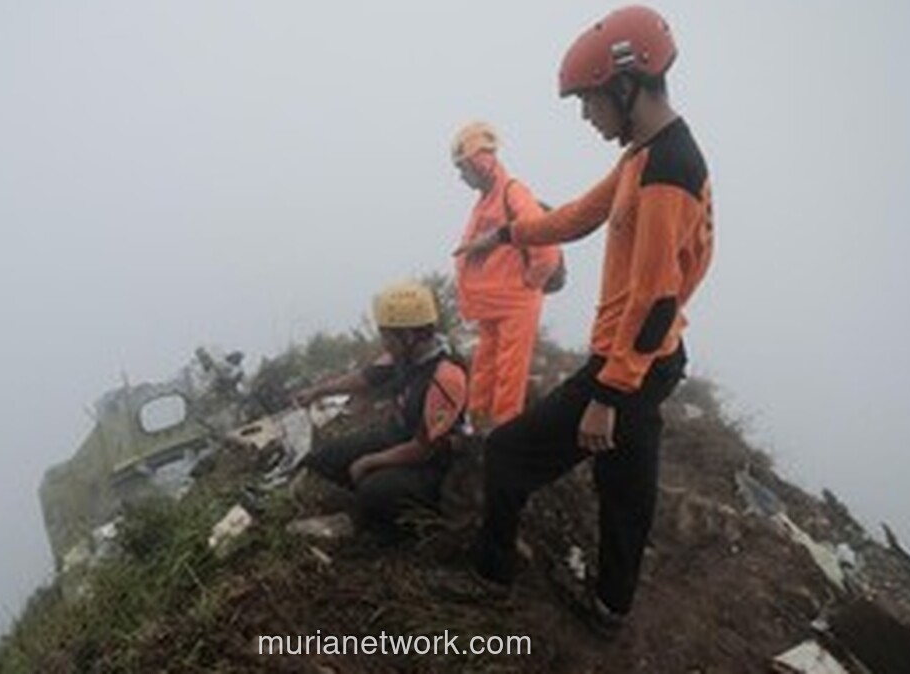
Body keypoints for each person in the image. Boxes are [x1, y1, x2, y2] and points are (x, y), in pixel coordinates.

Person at [454, 6, 714, 635]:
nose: (586, 115)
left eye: (588, 100)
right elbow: (577, 215)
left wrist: (607, 393)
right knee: (626, 487)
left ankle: (490, 581)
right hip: (647, 360)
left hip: (630, 362)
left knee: (510, 454)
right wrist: (510, 233)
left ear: (627, 84)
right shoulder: (642, 156)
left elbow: (656, 300)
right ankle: (611, 608)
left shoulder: (666, 174)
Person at [294, 282, 469, 541]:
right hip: (398, 435)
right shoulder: (404, 355)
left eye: (387, 335)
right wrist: (318, 391)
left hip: (435, 462)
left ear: (409, 336)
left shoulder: (447, 377)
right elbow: (366, 377)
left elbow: (425, 447)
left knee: (375, 489)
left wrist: (372, 461)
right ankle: (373, 505)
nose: (383, 343)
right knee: (324, 459)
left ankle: (396, 528)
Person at [451, 122, 562, 430]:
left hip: (515, 302)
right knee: (485, 367)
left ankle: (502, 433)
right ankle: (477, 424)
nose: (461, 177)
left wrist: (532, 281)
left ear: (479, 163)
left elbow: (546, 243)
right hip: (491, 303)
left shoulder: (513, 192)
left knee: (510, 372)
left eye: (463, 168)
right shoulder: (487, 200)